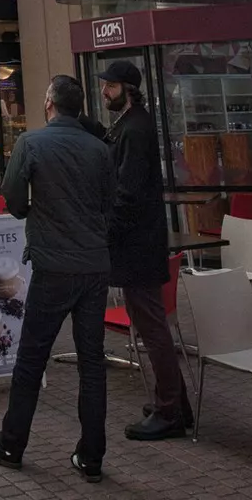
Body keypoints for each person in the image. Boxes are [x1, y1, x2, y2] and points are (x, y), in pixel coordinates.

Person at [0, 75, 117, 482]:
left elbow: (13, 196)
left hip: (54, 265)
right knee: (92, 362)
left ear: (50, 103)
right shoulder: (99, 149)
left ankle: (10, 443)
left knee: (32, 359)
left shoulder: (31, 144)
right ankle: (91, 456)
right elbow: (110, 201)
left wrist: (33, 212)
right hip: (94, 266)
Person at [98, 60, 193, 441]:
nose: (105, 91)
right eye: (105, 85)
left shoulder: (135, 130)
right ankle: (176, 405)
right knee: (150, 326)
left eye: (111, 86)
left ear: (128, 88)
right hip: (138, 241)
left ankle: (170, 411)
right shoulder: (129, 125)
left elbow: (129, 192)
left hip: (137, 244)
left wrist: (109, 232)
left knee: (152, 329)